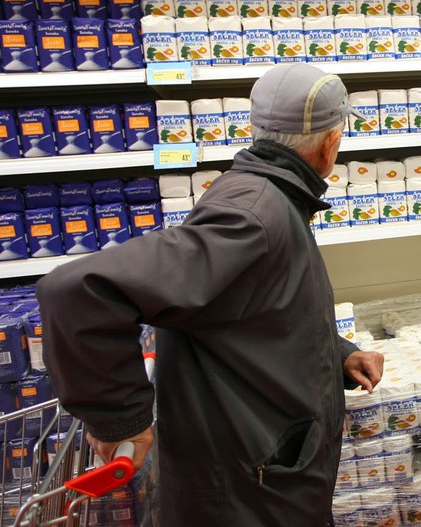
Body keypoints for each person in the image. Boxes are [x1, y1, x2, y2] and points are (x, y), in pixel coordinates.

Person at [37, 63, 385, 526]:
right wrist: (120, 420)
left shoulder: (266, 195)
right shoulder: (254, 215)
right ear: (330, 142)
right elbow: (77, 290)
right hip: (248, 484)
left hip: (261, 463)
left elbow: (254, 312)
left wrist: (337, 355)